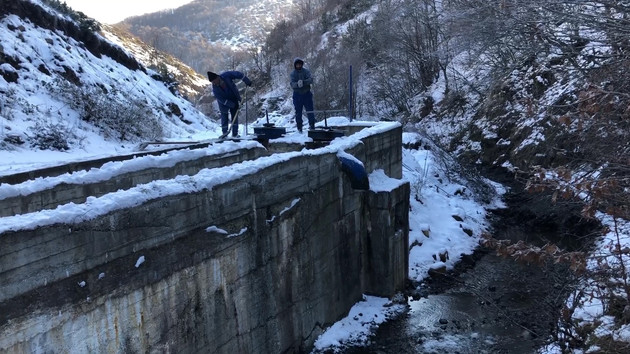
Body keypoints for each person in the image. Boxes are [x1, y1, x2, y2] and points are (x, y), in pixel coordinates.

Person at [207, 70, 252, 137]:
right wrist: (231, 104)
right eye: (212, 82)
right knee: (224, 117)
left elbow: (237, 74)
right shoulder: (215, 88)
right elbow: (220, 99)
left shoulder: (226, 76)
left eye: (214, 81)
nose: (213, 83)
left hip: (233, 97)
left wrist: (245, 79)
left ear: (217, 77)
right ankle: (225, 133)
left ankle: (235, 134)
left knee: (235, 116)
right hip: (223, 103)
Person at [290, 58, 315, 133]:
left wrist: (304, 82)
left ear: (302, 64)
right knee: (298, 112)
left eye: (300, 64)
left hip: (307, 93)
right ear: (295, 65)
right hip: (297, 95)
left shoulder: (306, 71)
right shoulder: (293, 74)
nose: (298, 66)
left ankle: (312, 125)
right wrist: (297, 84)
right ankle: (299, 127)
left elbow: (311, 79)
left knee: (310, 110)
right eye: (297, 64)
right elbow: (292, 83)